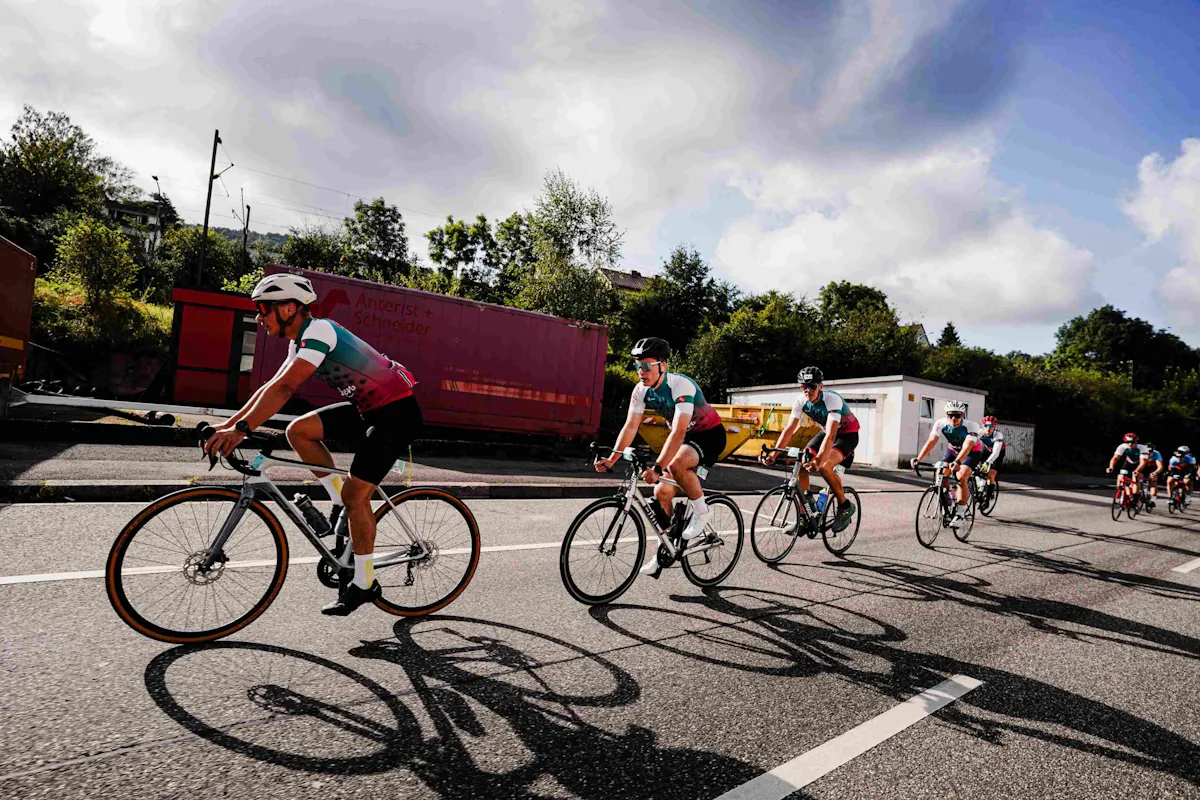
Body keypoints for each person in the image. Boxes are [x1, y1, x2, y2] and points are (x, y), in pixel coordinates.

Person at [203, 273, 422, 616]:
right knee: (298, 430)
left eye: (263, 309)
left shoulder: (320, 331)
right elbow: (270, 387)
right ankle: (340, 502)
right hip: (367, 410)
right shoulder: (298, 342)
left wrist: (242, 430)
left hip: (396, 415)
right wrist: (229, 426)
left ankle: (364, 583)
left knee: (356, 495)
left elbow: (287, 388)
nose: (259, 317)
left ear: (289, 308)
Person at [594, 337, 727, 576]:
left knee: (677, 465)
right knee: (662, 492)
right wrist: (612, 458)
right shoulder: (641, 390)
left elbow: (677, 431)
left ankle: (702, 510)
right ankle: (663, 550)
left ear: (662, 366)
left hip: (710, 435)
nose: (641, 372)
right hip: (687, 437)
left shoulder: (681, 385)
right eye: (637, 366)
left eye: (646, 366)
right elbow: (631, 426)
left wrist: (657, 467)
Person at [761, 366, 857, 532]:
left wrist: (819, 460)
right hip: (825, 432)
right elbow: (789, 429)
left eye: (812, 386)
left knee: (825, 467)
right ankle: (806, 513)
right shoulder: (801, 401)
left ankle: (845, 505)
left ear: (821, 386)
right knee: (802, 462)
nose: (808, 390)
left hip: (845, 435)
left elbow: (832, 436)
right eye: (804, 386)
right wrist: (775, 453)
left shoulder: (832, 400)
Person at [911, 401, 982, 528]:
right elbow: (931, 441)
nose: (954, 418)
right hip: (953, 450)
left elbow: (967, 446)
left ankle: (960, 514)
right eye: (950, 415)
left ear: (962, 415)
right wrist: (919, 458)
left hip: (971, 453)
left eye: (957, 415)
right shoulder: (940, 423)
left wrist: (958, 462)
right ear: (946, 415)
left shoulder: (972, 426)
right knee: (941, 473)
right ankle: (948, 504)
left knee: (961, 477)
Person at [978, 416, 1005, 487]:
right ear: (983, 426)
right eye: (986, 426)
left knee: (991, 475)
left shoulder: (998, 435)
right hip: (986, 450)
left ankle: (989, 495)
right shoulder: (980, 433)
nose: (988, 429)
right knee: (979, 470)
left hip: (998, 453)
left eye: (991, 426)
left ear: (995, 427)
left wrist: (987, 463)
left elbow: (996, 453)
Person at [1139, 441, 1164, 508]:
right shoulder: (1140, 452)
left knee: (1153, 480)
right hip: (1142, 466)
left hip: (1152, 467)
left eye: (1150, 451)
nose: (1148, 452)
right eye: (1146, 451)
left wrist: (1155, 473)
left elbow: (1160, 466)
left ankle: (1153, 499)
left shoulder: (1156, 453)